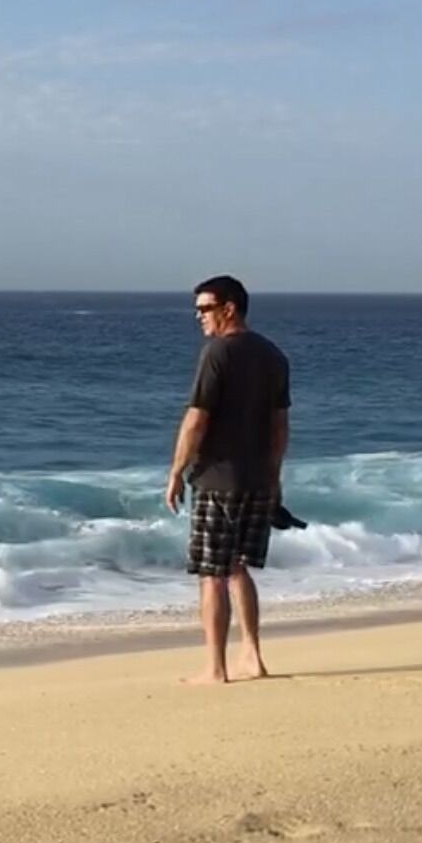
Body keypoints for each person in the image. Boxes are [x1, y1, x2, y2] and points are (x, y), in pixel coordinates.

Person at [163, 274, 290, 685]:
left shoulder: (218, 352)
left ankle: (216, 668)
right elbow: (279, 425)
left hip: (218, 477)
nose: (198, 317)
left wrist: (176, 472)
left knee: (211, 572)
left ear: (228, 308)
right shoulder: (273, 355)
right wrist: (274, 476)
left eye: (204, 309)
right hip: (258, 478)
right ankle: (252, 655)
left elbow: (197, 417)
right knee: (237, 567)